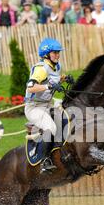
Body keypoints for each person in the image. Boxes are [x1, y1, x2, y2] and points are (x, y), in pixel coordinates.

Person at [24, 38, 68, 173]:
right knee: (51, 128)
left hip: (47, 105)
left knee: (68, 117)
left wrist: (64, 79)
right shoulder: (41, 68)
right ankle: (44, 161)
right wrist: (48, 85)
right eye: (54, 53)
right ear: (46, 54)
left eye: (58, 52)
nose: (57, 55)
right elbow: (30, 87)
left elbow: (53, 80)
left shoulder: (57, 67)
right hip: (34, 107)